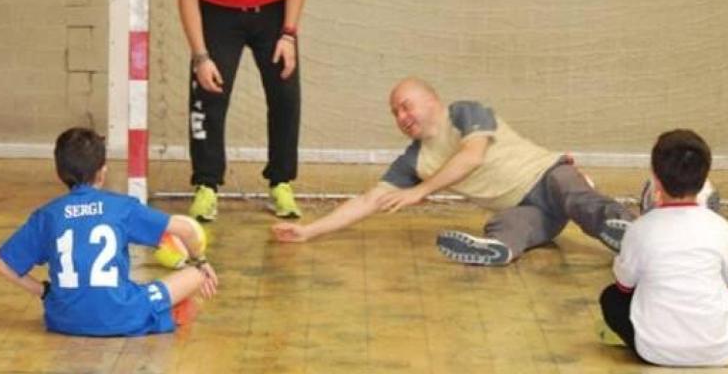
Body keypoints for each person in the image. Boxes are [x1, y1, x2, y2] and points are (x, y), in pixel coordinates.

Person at [272, 77, 635, 265]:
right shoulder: (414, 160)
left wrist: (420, 191)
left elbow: (472, 156)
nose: (401, 117)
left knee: (576, 196)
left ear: (432, 99)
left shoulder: (464, 113)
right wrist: (308, 231)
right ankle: (499, 250)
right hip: (530, 210)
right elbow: (370, 200)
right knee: (506, 227)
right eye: (395, 114)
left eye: (405, 106)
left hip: (547, 174)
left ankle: (630, 234)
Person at [0, 127, 219, 336]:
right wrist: (200, 261)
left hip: (62, 320)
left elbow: (2, 265)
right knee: (196, 275)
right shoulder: (122, 207)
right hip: (122, 314)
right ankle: (164, 313)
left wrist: (43, 291)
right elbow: (186, 230)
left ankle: (163, 313)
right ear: (102, 172)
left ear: (59, 172)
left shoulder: (47, 215)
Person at [178, 0, 307, 222]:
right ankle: (206, 185)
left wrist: (289, 33)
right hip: (219, 14)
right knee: (208, 94)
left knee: (285, 95)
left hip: (272, 12)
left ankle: (281, 182)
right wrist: (200, 55)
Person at [598, 129, 728, 366]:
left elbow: (624, 286)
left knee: (611, 297)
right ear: (705, 180)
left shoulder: (640, 229)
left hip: (654, 351)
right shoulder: (721, 228)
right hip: (718, 353)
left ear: (655, 179)